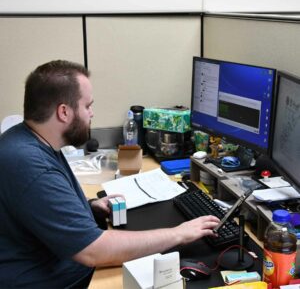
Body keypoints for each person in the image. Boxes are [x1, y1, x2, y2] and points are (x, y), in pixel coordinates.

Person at [0, 60, 220, 288]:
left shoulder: (26, 141)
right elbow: (94, 251)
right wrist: (179, 234)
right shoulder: (31, 164)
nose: (92, 113)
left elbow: (37, 207)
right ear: (64, 112)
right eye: (87, 106)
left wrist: (89, 207)